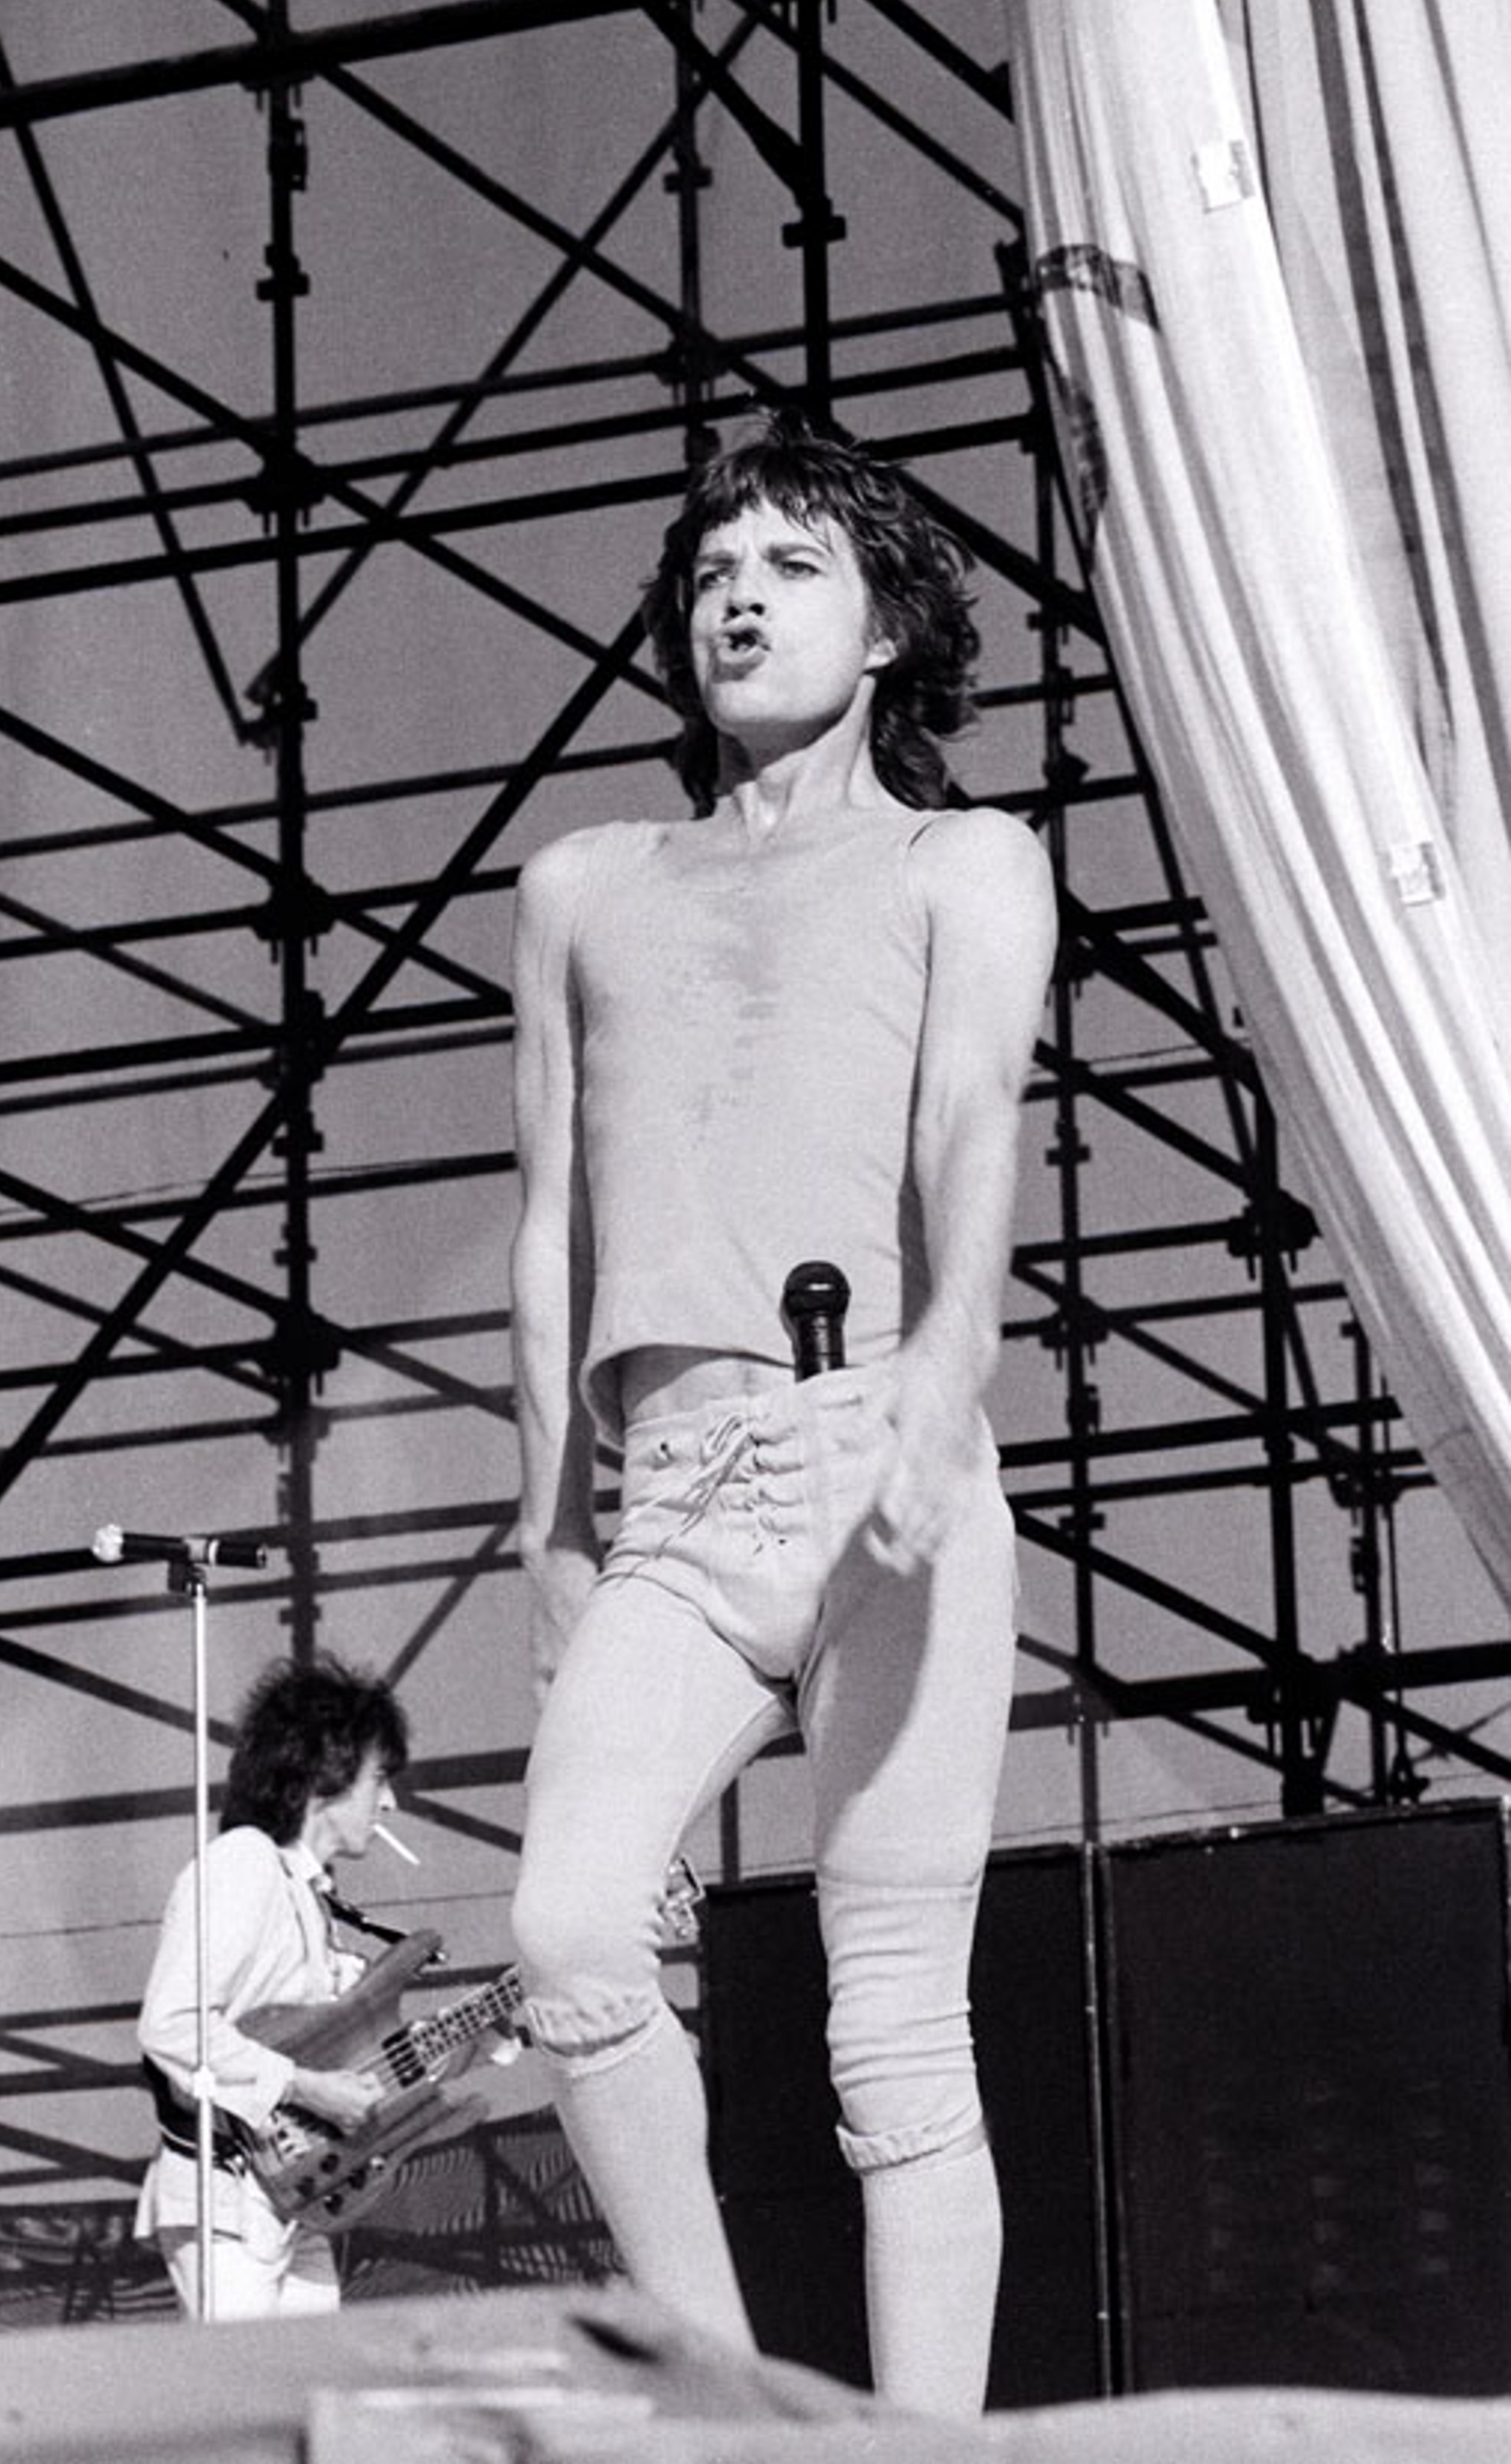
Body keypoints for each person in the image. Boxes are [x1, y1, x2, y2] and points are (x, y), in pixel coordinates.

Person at [506, 411, 1057, 2420]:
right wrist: (547, 1528)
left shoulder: (965, 861)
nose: (734, 593)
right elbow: (550, 1222)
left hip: (883, 1465)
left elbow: (970, 1122)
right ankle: (728, 2414)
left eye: (790, 562)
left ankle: (920, 2459)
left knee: (897, 2042)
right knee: (569, 1930)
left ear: (891, 624)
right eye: (711, 566)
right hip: (670, 1494)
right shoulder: (584, 884)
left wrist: (946, 1385)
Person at [135, 1652, 409, 2320]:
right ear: (327, 1777)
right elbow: (170, 2025)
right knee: (247, 2401)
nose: (391, 1801)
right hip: (226, 2198)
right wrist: (305, 2086)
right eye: (380, 1779)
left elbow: (345, 2051)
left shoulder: (309, 1896)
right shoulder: (242, 1865)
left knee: (311, 2394)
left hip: (296, 2198)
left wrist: (498, 2026)